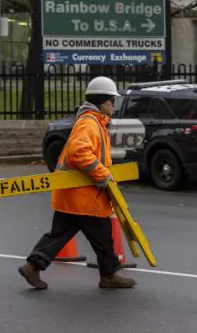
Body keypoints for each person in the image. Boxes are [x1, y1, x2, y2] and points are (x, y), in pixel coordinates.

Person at [18, 76, 137, 290]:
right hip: (84, 197)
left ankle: (32, 266)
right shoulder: (90, 123)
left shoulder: (92, 121)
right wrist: (102, 174)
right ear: (103, 101)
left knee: (59, 235)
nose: (113, 106)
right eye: (112, 101)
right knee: (102, 238)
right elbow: (78, 152)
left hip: (72, 195)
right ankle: (108, 275)